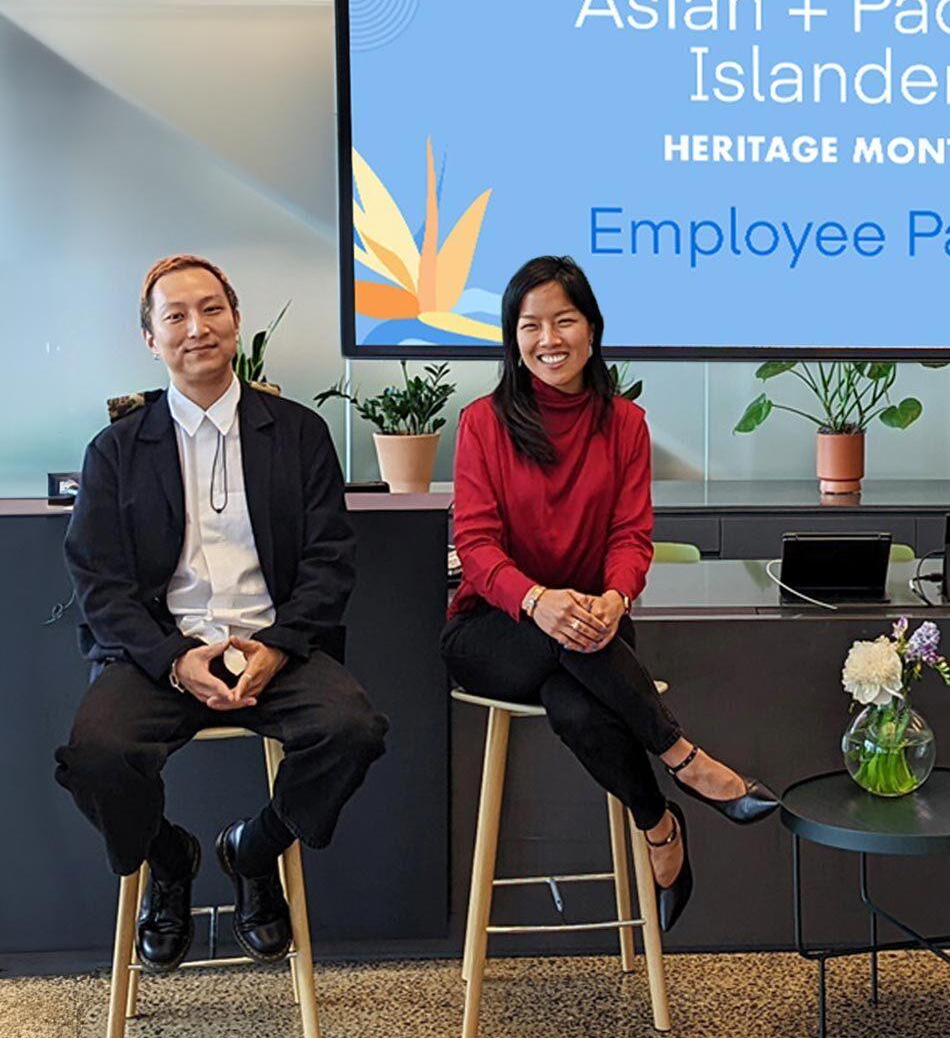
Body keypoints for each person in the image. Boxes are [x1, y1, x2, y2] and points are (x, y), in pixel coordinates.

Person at [55, 254, 389, 971]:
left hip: (276, 646)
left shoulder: (297, 434)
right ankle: (171, 860)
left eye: (211, 310)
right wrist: (174, 658)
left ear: (236, 321)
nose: (196, 328)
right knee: (97, 758)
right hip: (161, 654)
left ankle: (253, 849)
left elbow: (332, 560)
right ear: (150, 338)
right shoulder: (116, 450)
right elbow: (99, 583)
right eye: (174, 316)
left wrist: (277, 646)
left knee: (352, 729)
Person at [442, 255, 777, 936]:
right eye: (530, 325)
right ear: (512, 339)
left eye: (563, 320)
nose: (548, 338)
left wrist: (616, 597)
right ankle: (687, 760)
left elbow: (631, 535)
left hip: (594, 626)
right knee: (569, 655)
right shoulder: (484, 423)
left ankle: (659, 825)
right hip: (491, 627)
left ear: (591, 330)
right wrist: (539, 600)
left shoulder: (623, 424)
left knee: (575, 705)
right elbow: (475, 549)